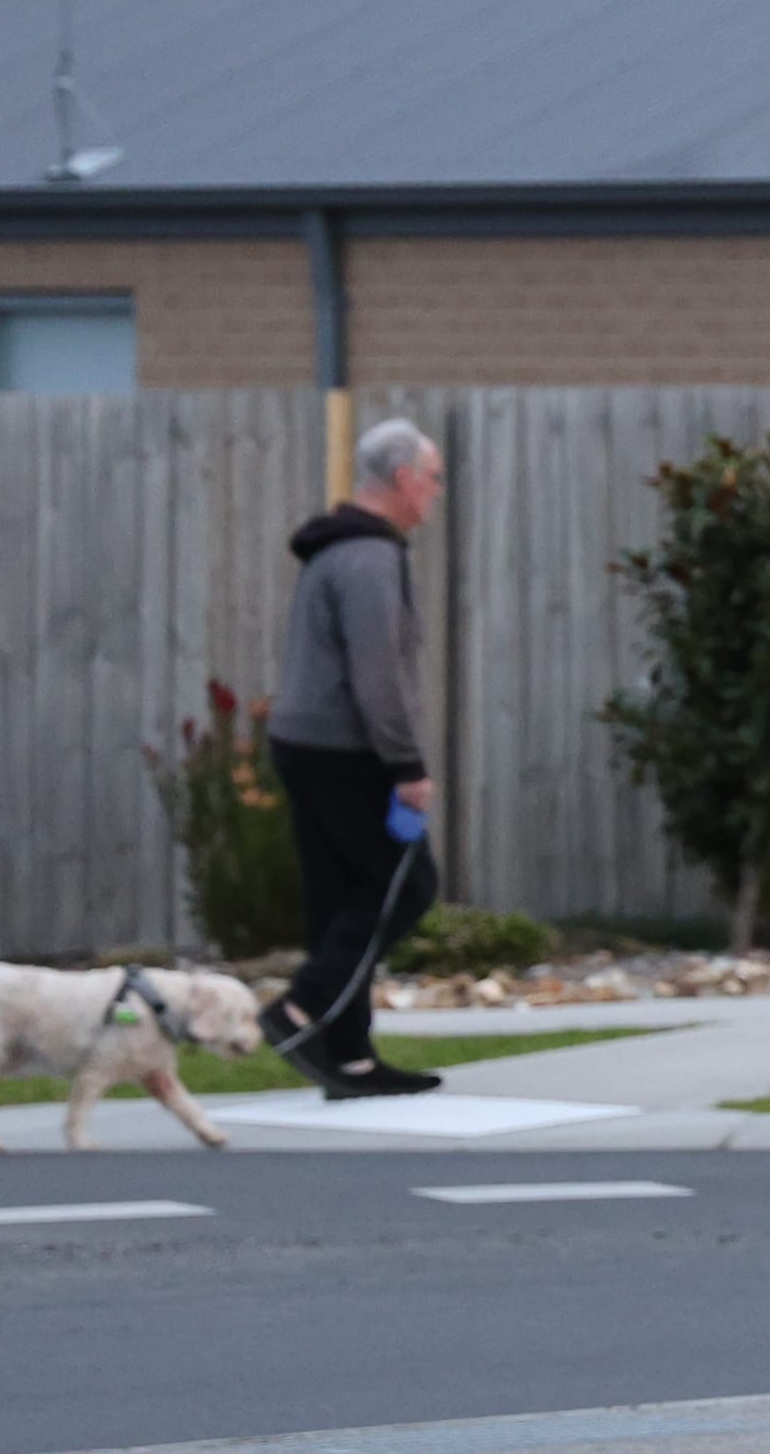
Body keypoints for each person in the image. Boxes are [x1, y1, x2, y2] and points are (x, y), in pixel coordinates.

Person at [259, 417, 447, 1098]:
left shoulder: (334, 549)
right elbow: (379, 675)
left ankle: (350, 1059)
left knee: (339, 897)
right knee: (408, 882)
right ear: (402, 480)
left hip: (304, 742)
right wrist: (406, 766)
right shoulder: (370, 559)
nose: (435, 492)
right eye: (432, 478)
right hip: (347, 749)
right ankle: (300, 1008)